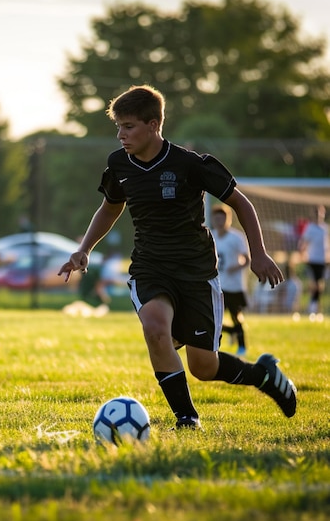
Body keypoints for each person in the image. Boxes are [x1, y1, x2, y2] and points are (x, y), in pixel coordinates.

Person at [59, 85, 296, 429]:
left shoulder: (188, 164)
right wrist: (84, 249)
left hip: (196, 270)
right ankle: (187, 418)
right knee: (155, 329)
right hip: (150, 266)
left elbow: (241, 204)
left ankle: (263, 375)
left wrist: (258, 254)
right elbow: (110, 208)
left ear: (154, 124)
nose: (121, 135)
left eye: (129, 126)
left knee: (204, 367)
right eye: (118, 127)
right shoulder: (118, 164)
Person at [210, 204, 250, 356]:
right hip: (216, 285)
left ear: (228, 219)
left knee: (236, 316)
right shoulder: (210, 236)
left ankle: (242, 346)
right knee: (213, 320)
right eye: (217, 218)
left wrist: (236, 267)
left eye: (223, 218)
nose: (220, 221)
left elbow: (247, 259)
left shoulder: (236, 238)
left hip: (234, 286)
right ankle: (226, 338)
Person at [298, 205, 329, 320]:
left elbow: (326, 244)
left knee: (319, 284)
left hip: (321, 261)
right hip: (311, 260)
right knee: (314, 284)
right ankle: (311, 307)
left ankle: (315, 306)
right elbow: (303, 243)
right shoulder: (310, 228)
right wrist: (302, 255)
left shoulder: (324, 228)